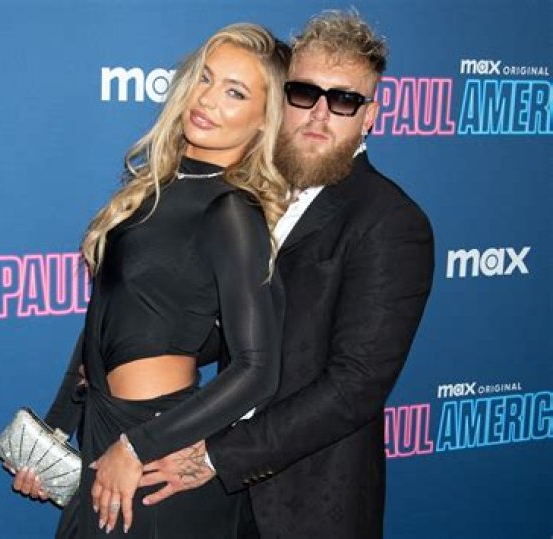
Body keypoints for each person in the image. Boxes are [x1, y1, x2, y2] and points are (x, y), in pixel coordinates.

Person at [137, 10, 435, 539]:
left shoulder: (390, 222)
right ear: (282, 98)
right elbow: (227, 330)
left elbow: (353, 388)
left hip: (306, 507)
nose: (320, 114)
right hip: (217, 494)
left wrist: (215, 458)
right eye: (304, 92)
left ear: (370, 115)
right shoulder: (250, 196)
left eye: (344, 100)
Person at [9, 23, 291, 538]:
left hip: (154, 445)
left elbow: (257, 369)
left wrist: (139, 446)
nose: (208, 99)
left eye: (235, 93)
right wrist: (54, 432)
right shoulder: (153, 189)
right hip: (104, 429)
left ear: (262, 121)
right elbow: (102, 322)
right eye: (205, 78)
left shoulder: (231, 211)